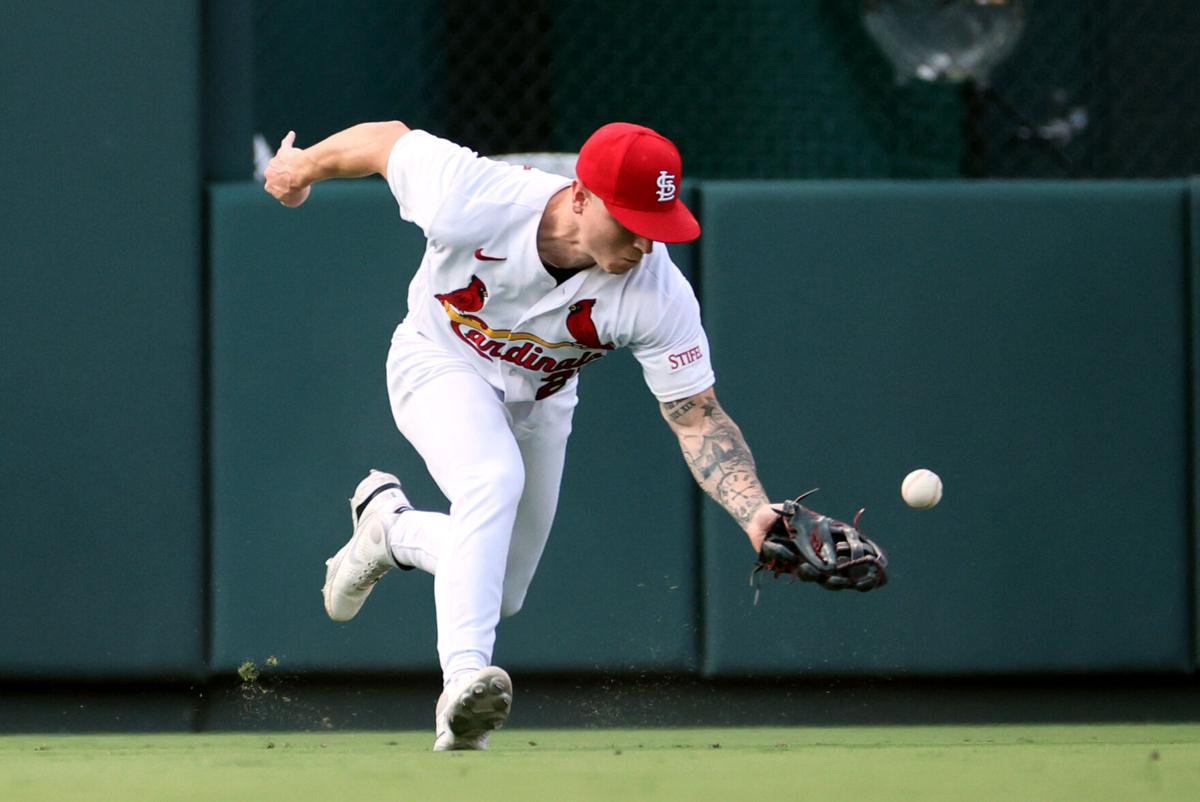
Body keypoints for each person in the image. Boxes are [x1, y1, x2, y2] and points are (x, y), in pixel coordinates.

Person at [263, 120, 798, 751]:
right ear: (579, 195)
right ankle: (462, 685)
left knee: (503, 587)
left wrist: (756, 514)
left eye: (655, 226)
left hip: (541, 401)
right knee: (492, 480)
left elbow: (696, 417)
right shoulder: (475, 197)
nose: (642, 244)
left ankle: (394, 531)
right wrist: (300, 170)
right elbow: (386, 141)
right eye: (627, 221)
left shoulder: (657, 292)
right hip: (439, 359)